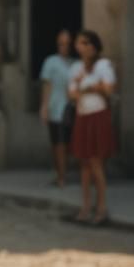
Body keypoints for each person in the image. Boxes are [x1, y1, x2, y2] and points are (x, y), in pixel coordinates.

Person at [68, 30, 117, 225]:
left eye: (84, 43)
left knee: (96, 163)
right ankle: (86, 206)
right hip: (83, 116)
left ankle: (101, 208)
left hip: (98, 115)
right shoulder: (76, 67)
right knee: (84, 164)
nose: (80, 47)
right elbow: (72, 94)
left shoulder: (103, 65)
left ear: (92, 46)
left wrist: (87, 88)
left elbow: (108, 89)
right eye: (79, 43)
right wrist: (90, 88)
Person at [38, 29, 76, 186]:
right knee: (57, 143)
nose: (64, 47)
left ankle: (64, 173)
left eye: (67, 44)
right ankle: (61, 175)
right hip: (56, 108)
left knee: (67, 143)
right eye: (61, 44)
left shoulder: (75, 63)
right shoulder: (51, 62)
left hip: (72, 109)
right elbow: (47, 85)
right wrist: (44, 107)